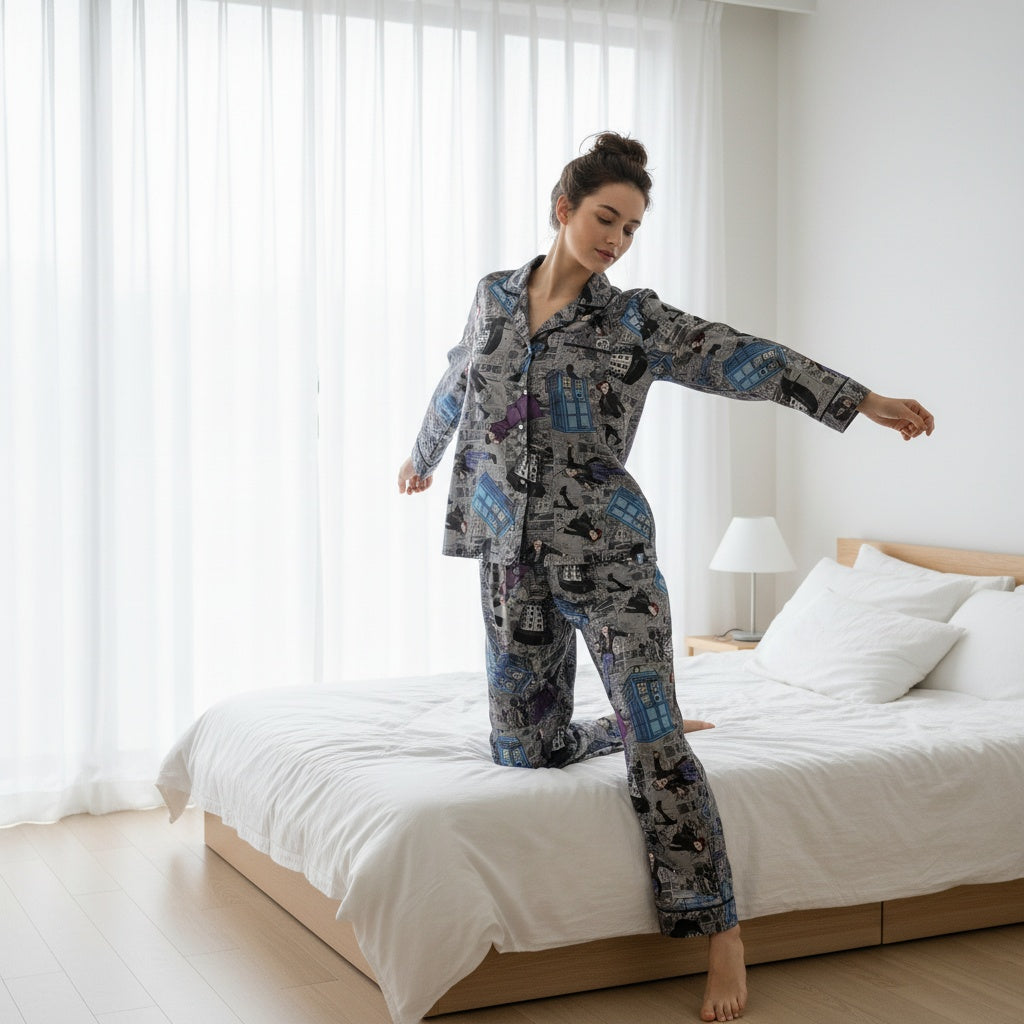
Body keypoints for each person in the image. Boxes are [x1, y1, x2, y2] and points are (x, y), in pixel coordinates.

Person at [397, 133, 933, 1023]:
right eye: (606, 217)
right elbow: (460, 380)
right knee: (523, 749)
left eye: (633, 227)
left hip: (608, 558)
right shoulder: (493, 294)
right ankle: (622, 718)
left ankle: (721, 931)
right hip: (509, 553)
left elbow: (745, 356)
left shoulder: (633, 321)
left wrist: (860, 399)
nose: (617, 237)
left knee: (659, 752)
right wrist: (419, 457)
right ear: (562, 208)